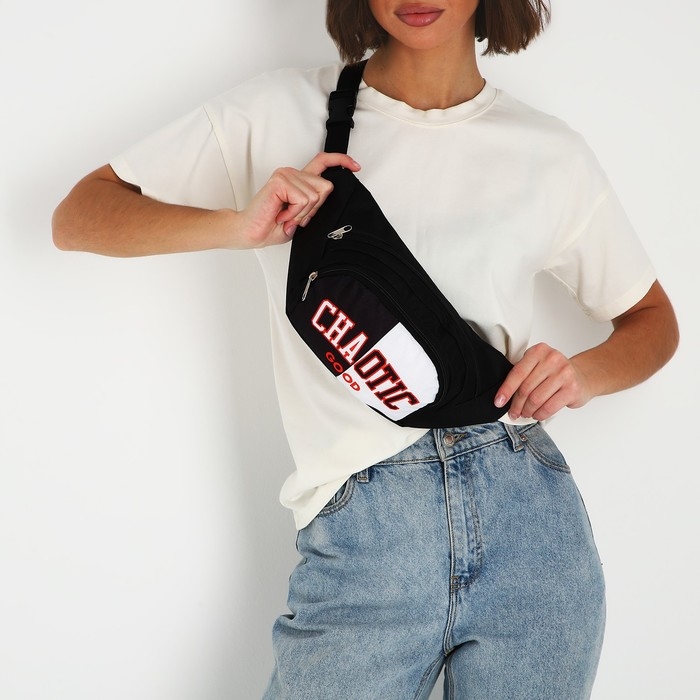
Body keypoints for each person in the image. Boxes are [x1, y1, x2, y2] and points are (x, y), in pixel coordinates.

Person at [52, 1, 679, 698]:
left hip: (530, 527)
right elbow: (79, 216)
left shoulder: (548, 151)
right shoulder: (276, 111)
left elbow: (652, 320)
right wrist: (238, 226)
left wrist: (582, 373)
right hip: (363, 534)